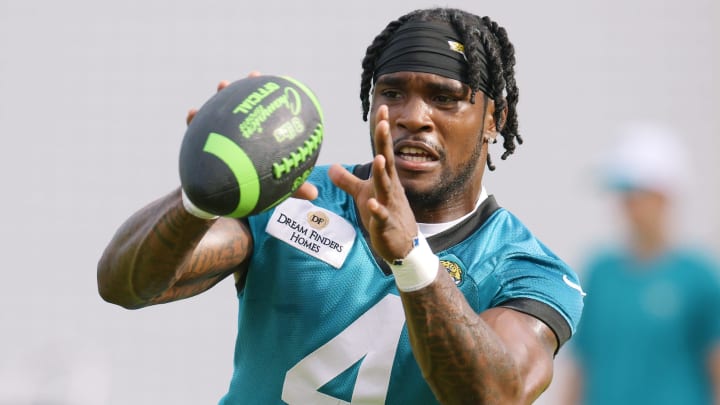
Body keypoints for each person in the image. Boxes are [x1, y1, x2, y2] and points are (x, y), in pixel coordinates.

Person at [97, 7, 584, 404]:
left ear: (492, 118)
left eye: (444, 98)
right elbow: (125, 285)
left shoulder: (524, 267)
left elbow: (496, 396)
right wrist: (202, 195)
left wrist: (410, 258)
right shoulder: (298, 194)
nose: (414, 117)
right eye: (392, 93)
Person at [562, 122, 720, 405]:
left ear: (663, 196)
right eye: (622, 196)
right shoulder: (600, 272)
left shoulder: (700, 278)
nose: (625, 207)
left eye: (634, 195)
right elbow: (582, 366)